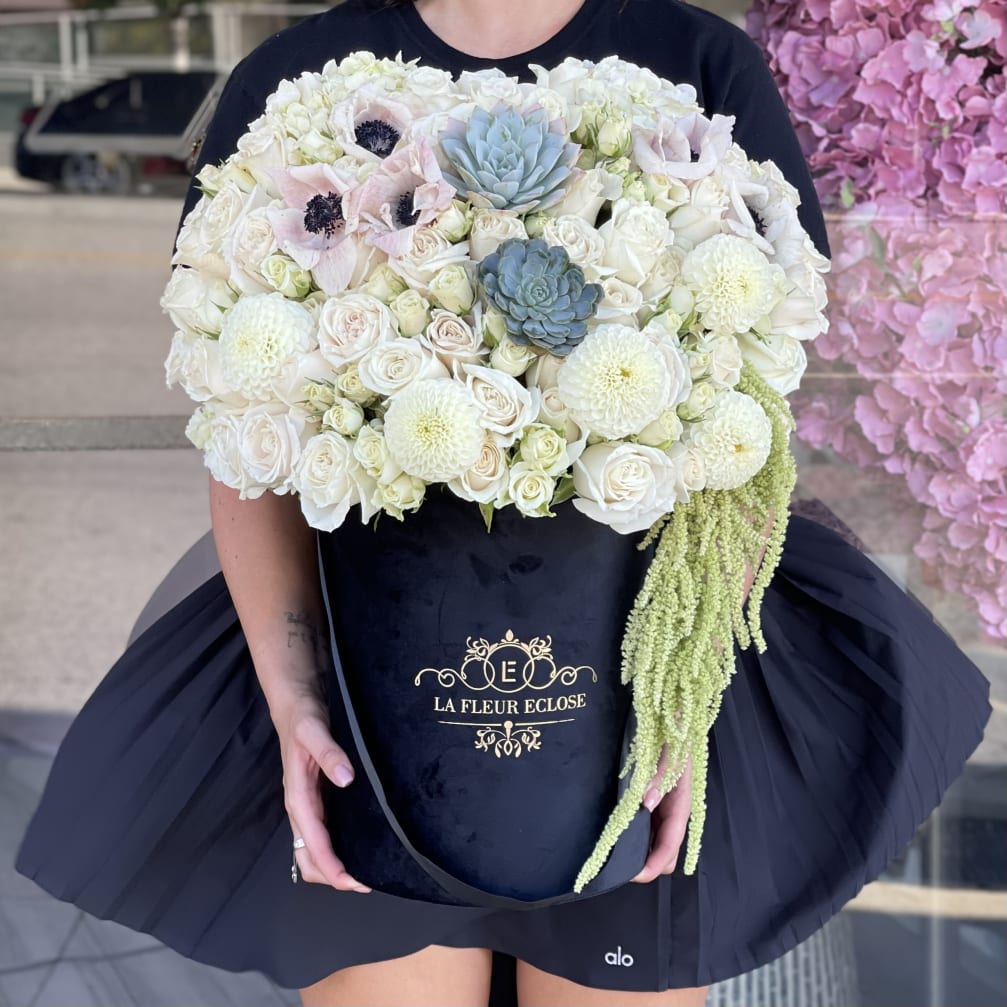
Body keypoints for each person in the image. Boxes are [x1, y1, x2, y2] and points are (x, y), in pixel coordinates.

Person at [15, 1, 992, 1006]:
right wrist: (293, 688)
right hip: (369, 685)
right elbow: (241, 427)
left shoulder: (701, 64)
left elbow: (747, 425)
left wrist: (684, 695)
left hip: (631, 689)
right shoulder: (296, 82)